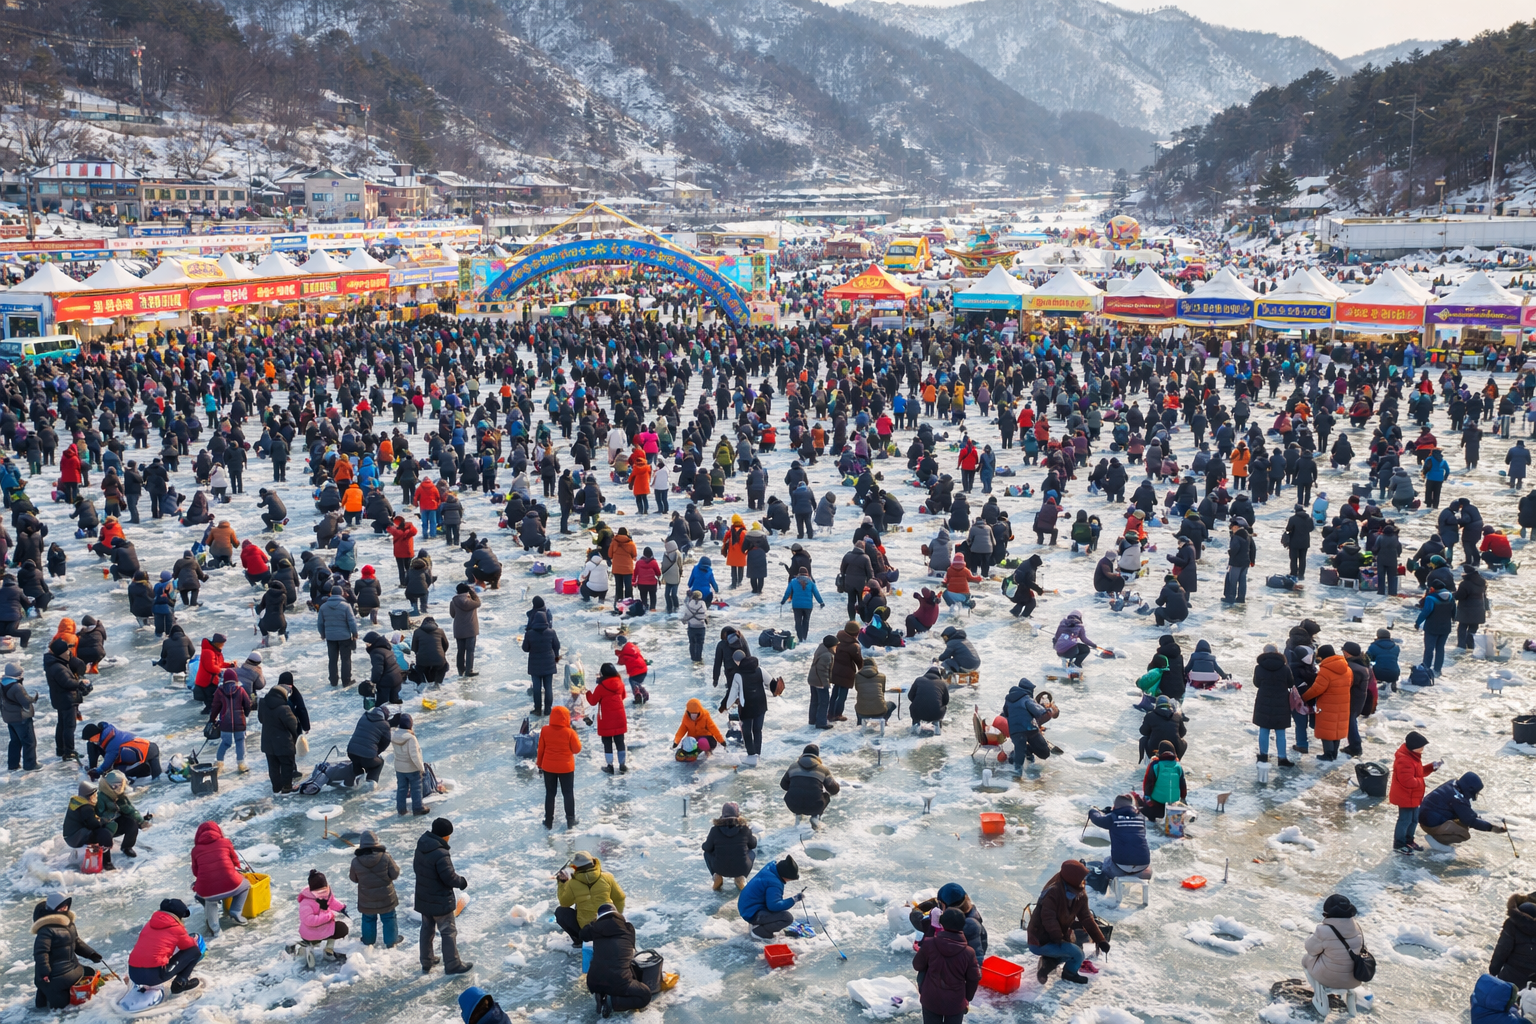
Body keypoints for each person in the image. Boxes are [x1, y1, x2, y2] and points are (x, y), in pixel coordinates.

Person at [1026, 860, 1108, 985]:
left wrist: (1100, 940)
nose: (1082, 883)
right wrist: (1059, 939)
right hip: (1039, 940)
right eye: (1080, 879)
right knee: (1078, 954)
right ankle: (1069, 973)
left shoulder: (1080, 893)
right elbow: (1049, 919)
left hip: (1057, 938)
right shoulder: (1052, 892)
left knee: (1072, 949)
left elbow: (1086, 917)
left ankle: (1048, 964)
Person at [414, 817, 471, 974]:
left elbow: (417, 869)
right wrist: (462, 882)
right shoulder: (441, 854)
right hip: (440, 901)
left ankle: (427, 960)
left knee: (427, 929)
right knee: (448, 931)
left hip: (423, 898)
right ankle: (452, 964)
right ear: (444, 835)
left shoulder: (422, 846)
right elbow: (449, 877)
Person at [32, 893, 104, 1009]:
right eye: (61, 906)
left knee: (90, 972)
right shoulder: (46, 930)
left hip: (73, 969)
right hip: (54, 976)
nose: (64, 908)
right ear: (52, 908)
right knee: (60, 1006)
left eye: (66, 905)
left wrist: (91, 954)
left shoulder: (69, 925)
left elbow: (77, 943)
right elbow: (41, 952)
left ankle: (46, 996)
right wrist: (45, 972)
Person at [912, 906, 981, 1024]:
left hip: (930, 1000)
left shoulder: (930, 944)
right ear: (962, 925)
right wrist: (967, 998)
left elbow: (917, 965)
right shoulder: (968, 952)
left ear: (942, 923)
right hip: (955, 1003)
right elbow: (974, 978)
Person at [582, 903, 653, 1017]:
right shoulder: (628, 928)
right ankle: (613, 1002)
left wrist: (594, 923)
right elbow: (631, 950)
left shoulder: (594, 929)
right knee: (644, 995)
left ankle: (601, 992)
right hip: (618, 981)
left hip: (593, 980)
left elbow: (583, 934)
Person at [189, 821, 251, 938]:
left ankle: (215, 928)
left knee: (209, 900)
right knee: (245, 885)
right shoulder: (226, 842)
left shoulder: (195, 850)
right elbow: (235, 862)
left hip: (208, 891)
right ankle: (236, 912)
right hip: (232, 884)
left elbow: (195, 872)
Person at [127, 899, 202, 994]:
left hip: (133, 974)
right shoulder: (176, 928)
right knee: (194, 951)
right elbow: (189, 946)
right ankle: (181, 982)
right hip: (154, 976)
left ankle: (143, 983)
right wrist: (193, 939)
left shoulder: (149, 924)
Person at [555, 850, 625, 946]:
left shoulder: (572, 883)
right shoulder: (607, 877)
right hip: (608, 926)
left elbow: (564, 903)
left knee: (561, 912)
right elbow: (620, 898)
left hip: (587, 932)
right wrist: (617, 918)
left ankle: (580, 941)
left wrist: (562, 883)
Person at [1302, 894, 1367, 994]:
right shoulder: (1357, 927)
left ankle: (1320, 996)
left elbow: (1310, 949)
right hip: (1354, 979)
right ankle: (1349, 1000)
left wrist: (1312, 937)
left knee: (1306, 959)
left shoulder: (1323, 930)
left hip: (1330, 978)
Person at [1085, 794, 1151, 892]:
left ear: (1115, 806)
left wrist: (1092, 811)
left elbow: (1097, 819)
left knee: (1107, 861)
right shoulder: (1141, 817)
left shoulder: (1112, 818)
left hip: (1120, 868)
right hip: (1144, 868)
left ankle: (1109, 890)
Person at [1420, 771, 1505, 846]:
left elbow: (1466, 812)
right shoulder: (1458, 799)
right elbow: (1471, 821)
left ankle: (1438, 833)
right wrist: (1491, 828)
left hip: (1425, 817)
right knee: (1463, 833)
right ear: (1470, 789)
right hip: (1430, 824)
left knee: (1461, 821)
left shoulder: (1452, 783)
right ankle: (1438, 841)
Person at [908, 882, 988, 961]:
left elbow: (920, 923)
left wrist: (916, 911)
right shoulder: (973, 915)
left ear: (943, 905)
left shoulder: (953, 924)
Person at [350, 829, 401, 948]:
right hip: (386, 896)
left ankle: (368, 942)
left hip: (366, 898)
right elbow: (395, 874)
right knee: (389, 918)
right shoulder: (385, 857)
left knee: (368, 919)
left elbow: (353, 878)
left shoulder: (356, 861)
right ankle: (391, 941)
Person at [1389, 731, 1438, 854]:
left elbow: (1419, 773)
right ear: (1413, 747)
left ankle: (1409, 840)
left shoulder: (1413, 757)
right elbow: (1407, 780)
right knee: (1404, 820)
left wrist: (1432, 767)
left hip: (1413, 797)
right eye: (1421, 747)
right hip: (1405, 797)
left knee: (1414, 820)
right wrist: (1420, 783)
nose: (1423, 749)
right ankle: (1399, 844)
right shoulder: (1404, 760)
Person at [1301, 645, 1352, 760]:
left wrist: (1303, 697)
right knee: (1337, 729)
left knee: (1327, 729)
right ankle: (1334, 753)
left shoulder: (1325, 671)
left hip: (1327, 704)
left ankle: (1328, 754)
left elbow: (1316, 689)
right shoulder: (1347, 669)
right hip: (1343, 703)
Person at [537, 706, 581, 830]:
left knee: (550, 794)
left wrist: (539, 765)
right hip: (566, 768)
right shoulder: (570, 732)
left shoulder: (545, 730)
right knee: (568, 793)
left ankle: (549, 821)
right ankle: (570, 820)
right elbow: (577, 749)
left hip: (548, 767)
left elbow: (541, 750)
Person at [1251, 644, 1295, 766]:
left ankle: (1263, 756)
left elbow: (1257, 683)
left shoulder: (1259, 668)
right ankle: (1282, 758)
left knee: (1264, 730)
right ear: (1277, 652)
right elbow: (1291, 683)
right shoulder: (1285, 668)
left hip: (1263, 701)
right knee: (1280, 732)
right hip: (1281, 702)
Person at [738, 855, 802, 938]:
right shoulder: (774, 883)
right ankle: (760, 931)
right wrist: (794, 899)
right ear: (785, 875)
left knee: (778, 911)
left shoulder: (771, 869)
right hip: (752, 912)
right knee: (787, 918)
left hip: (747, 907)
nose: (789, 881)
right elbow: (774, 906)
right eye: (789, 879)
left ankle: (758, 923)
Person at [293, 870, 349, 964]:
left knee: (341, 928)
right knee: (315, 940)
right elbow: (309, 920)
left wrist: (342, 908)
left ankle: (328, 950)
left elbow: (332, 901)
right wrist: (328, 915)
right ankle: (307, 947)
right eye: (319, 891)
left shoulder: (327, 893)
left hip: (325, 928)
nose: (322, 892)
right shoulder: (306, 902)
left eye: (324, 889)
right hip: (311, 932)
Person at [258, 675, 301, 795]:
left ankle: (276, 788)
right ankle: (287, 787)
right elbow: (293, 725)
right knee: (286, 765)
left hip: (267, 742)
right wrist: (294, 738)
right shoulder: (284, 708)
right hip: (283, 743)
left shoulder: (262, 703)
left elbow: (261, 719)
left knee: (273, 766)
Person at [701, 800, 757, 891]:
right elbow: (753, 845)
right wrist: (750, 836)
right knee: (752, 852)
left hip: (720, 868)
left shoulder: (715, 830)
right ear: (738, 814)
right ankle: (741, 878)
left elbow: (706, 848)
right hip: (741, 868)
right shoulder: (744, 829)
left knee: (706, 854)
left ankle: (717, 876)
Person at [780, 743, 839, 826]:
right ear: (817, 756)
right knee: (826, 796)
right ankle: (815, 817)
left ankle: (798, 815)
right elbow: (834, 789)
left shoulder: (793, 767)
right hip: (815, 806)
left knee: (797, 792)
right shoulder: (823, 769)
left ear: (803, 754)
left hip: (793, 805)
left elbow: (783, 785)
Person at [587, 663, 630, 774]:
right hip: (620, 717)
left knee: (607, 743)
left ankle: (610, 766)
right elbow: (624, 696)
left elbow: (592, 701)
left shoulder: (601, 687)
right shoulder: (620, 683)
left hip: (606, 719)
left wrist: (587, 693)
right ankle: (622, 764)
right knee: (620, 741)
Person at [209, 668, 252, 774]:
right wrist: (245, 714)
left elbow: (215, 706)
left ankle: (219, 763)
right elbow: (248, 704)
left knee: (225, 743)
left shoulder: (220, 691)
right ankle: (241, 764)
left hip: (225, 723)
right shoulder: (241, 690)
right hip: (239, 723)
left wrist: (212, 718)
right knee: (240, 741)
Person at [1489, 894, 1536, 991]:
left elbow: (1502, 950)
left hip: (1510, 978)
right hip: (1533, 984)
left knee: (1504, 1003)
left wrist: (1493, 971)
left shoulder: (1512, 923)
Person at [317, 586, 359, 687]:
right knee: (346, 659)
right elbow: (352, 621)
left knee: (332, 659)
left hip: (330, 637)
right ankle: (346, 681)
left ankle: (333, 681)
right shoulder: (346, 606)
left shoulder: (323, 607)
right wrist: (355, 633)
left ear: (331, 593)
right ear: (341, 593)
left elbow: (320, 623)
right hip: (344, 637)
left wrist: (322, 634)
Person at [2, 660, 39, 771]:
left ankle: (13, 765)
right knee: (29, 742)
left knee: (15, 741)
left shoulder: (2, 683)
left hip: (9, 718)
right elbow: (25, 702)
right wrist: (33, 699)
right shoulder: (17, 687)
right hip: (20, 718)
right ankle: (30, 765)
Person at [391, 713, 429, 817]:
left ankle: (401, 809)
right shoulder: (411, 738)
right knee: (416, 788)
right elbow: (415, 756)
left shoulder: (393, 735)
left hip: (399, 768)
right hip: (411, 768)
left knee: (401, 789)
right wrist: (421, 768)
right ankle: (418, 808)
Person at [347, 705, 392, 785]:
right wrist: (376, 752)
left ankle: (358, 779)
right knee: (378, 763)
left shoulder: (364, 716)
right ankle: (371, 785)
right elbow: (386, 742)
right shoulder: (385, 724)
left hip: (351, 751)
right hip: (368, 756)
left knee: (356, 762)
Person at [780, 567, 825, 643]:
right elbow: (816, 593)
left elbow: (788, 592)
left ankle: (800, 638)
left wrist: (783, 601)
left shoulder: (793, 581)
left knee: (798, 622)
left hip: (796, 606)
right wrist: (821, 602)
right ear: (807, 573)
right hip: (808, 606)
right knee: (806, 621)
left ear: (799, 573)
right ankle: (804, 637)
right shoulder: (811, 582)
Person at [908, 666, 950, 735]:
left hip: (917, 712)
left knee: (914, 706)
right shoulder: (942, 683)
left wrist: (919, 701)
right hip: (936, 714)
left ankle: (915, 724)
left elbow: (910, 696)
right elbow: (946, 701)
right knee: (943, 707)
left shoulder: (918, 680)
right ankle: (937, 724)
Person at [854, 656, 895, 724]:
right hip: (880, 710)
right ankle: (884, 721)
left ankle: (860, 723)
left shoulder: (857, 676)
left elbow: (857, 689)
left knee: (857, 705)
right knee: (892, 705)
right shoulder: (882, 676)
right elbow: (882, 691)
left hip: (862, 711)